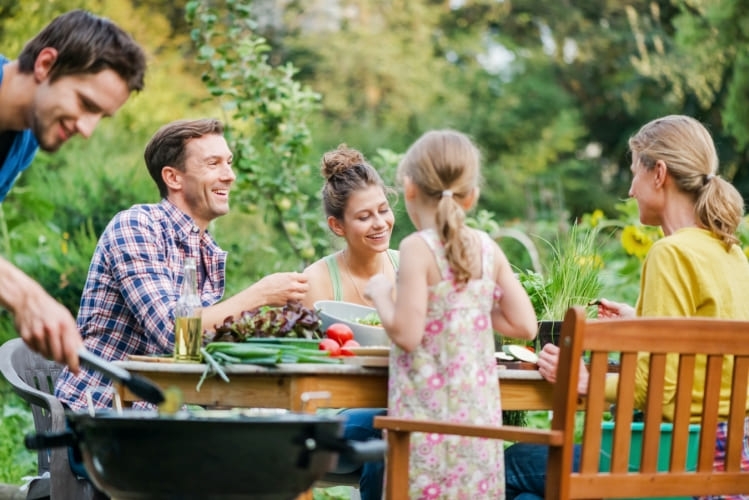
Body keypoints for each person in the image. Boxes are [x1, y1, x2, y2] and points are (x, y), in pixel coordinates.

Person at [504, 114, 749, 500]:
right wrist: (644, 321)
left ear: (659, 174)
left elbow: (656, 386)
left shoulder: (671, 252)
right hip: (729, 459)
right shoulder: (731, 252)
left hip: (670, 461)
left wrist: (582, 379)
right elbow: (707, 338)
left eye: (635, 173)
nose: (631, 190)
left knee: (513, 462)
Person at [54, 118, 309, 411]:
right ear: (173, 178)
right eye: (214, 164)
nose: (230, 176)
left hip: (163, 421)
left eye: (229, 162)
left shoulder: (205, 250)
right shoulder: (136, 227)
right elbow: (173, 333)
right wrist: (261, 295)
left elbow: (193, 355)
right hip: (101, 415)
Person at [365, 129, 538, 498]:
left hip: (425, 426)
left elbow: (408, 334)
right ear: (471, 195)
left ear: (409, 188)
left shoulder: (417, 248)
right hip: (478, 425)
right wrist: (469, 307)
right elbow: (525, 325)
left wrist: (381, 295)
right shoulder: (488, 248)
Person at [0, 9, 147, 372]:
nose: (87, 129)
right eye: (85, 104)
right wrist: (25, 294)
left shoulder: (26, 137)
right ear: (46, 64)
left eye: (101, 116)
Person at [301, 144, 397, 500]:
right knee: (388, 425)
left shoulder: (412, 271)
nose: (379, 223)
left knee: (391, 433)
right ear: (336, 225)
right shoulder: (318, 281)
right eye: (364, 217)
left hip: (398, 410)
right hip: (330, 422)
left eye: (383, 210)